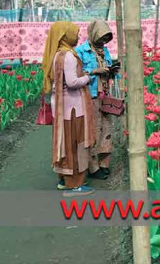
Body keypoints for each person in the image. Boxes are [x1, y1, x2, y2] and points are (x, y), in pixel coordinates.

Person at [42, 22, 96, 196]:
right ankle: (75, 185)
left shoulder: (57, 54)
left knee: (65, 144)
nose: (78, 36)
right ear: (65, 36)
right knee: (75, 144)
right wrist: (88, 77)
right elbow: (72, 83)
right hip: (74, 109)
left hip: (61, 107)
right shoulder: (69, 57)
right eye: (75, 33)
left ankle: (65, 180)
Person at [75, 20, 117, 179]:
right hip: (89, 95)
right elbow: (76, 74)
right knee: (92, 130)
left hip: (104, 94)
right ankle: (92, 167)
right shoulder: (80, 51)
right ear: (92, 34)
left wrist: (112, 71)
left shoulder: (104, 51)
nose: (103, 42)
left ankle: (104, 163)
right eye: (101, 38)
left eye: (106, 38)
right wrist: (94, 71)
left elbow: (109, 66)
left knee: (106, 128)